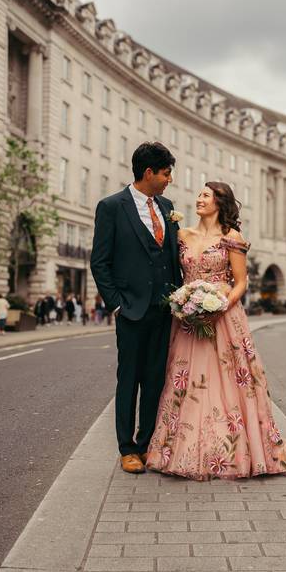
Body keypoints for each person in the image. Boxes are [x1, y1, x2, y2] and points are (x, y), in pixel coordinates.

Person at [141, 181, 286, 480]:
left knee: (228, 381)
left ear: (219, 202)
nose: (199, 199)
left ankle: (236, 451)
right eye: (199, 194)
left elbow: (240, 282)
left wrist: (217, 306)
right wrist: (187, 304)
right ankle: (180, 448)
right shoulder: (182, 235)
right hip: (188, 317)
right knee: (186, 380)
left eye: (205, 196)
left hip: (224, 317)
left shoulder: (232, 237)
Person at [91, 141, 183, 475]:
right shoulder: (112, 207)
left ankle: (146, 446)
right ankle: (126, 449)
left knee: (155, 380)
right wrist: (116, 304)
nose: (169, 179)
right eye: (166, 173)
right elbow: (100, 262)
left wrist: (180, 298)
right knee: (129, 380)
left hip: (163, 311)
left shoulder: (168, 206)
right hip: (130, 311)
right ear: (149, 172)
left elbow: (171, 258)